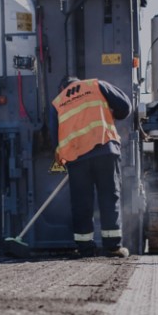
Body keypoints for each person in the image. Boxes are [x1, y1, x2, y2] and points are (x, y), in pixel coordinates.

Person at [49, 76, 132, 258]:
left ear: (62, 88)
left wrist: (63, 158)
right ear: (77, 82)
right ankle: (113, 247)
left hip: (76, 158)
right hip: (104, 149)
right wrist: (112, 113)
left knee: (81, 204)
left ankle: (85, 249)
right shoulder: (96, 85)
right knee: (109, 198)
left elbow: (54, 137)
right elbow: (125, 107)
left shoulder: (57, 102)